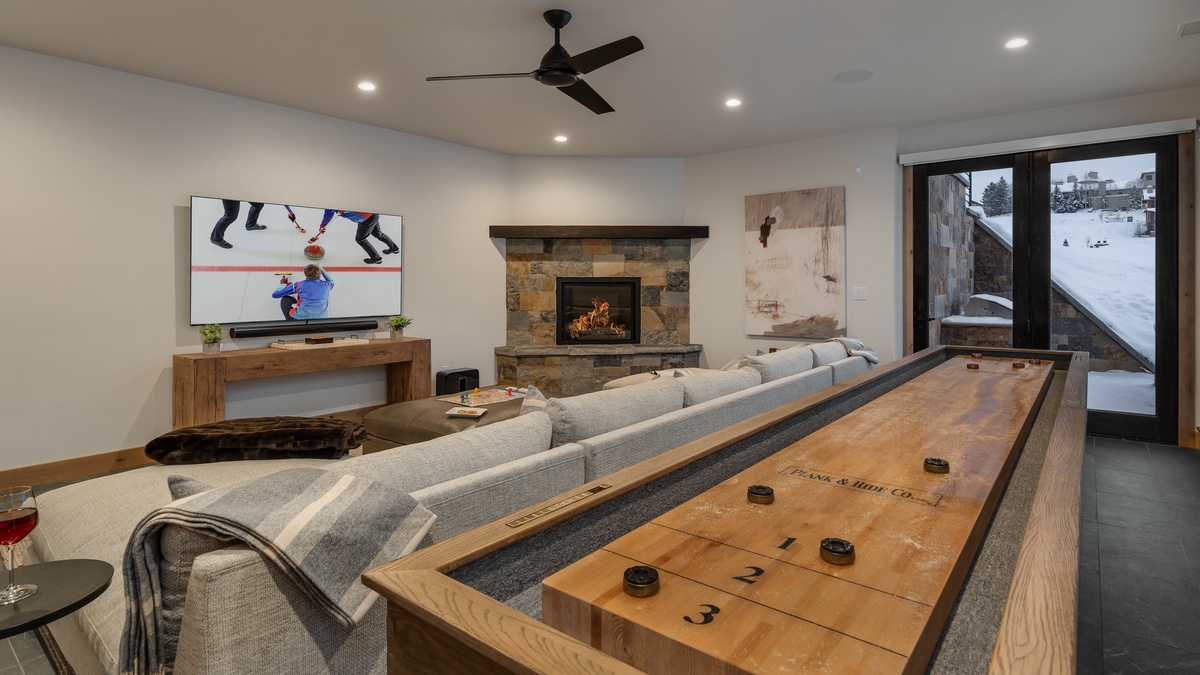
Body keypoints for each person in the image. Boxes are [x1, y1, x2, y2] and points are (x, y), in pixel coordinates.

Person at [315, 210, 399, 264]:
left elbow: (328, 214)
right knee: (378, 233)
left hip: (366, 219)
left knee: (360, 239)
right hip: (373, 214)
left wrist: (323, 225)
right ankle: (394, 248)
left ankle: (376, 258)